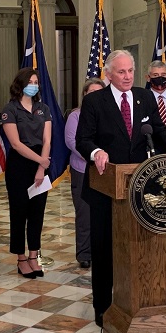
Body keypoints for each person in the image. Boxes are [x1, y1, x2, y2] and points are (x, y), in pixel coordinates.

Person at [76, 50, 166, 327]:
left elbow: (159, 130)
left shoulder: (145, 96)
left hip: (139, 188)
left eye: (130, 71)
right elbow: (83, 139)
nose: (127, 77)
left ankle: (137, 300)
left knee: (137, 248)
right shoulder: (94, 101)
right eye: (121, 72)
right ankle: (102, 307)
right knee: (104, 250)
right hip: (106, 187)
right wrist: (97, 152)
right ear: (109, 74)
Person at [1, 68, 52, 279]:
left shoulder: (43, 108)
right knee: (19, 212)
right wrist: (40, 160)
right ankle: (21, 258)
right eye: (30, 81)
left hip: (41, 164)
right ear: (20, 84)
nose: (34, 85)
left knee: (37, 213)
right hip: (19, 165)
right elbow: (15, 143)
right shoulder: (10, 109)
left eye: (36, 82)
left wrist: (41, 167)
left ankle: (34, 256)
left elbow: (48, 140)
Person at [65, 78, 106, 269]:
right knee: (84, 213)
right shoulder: (76, 116)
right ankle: (84, 253)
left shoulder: (108, 114)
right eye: (91, 93)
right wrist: (93, 156)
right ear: (84, 95)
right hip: (82, 170)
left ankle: (101, 251)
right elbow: (72, 142)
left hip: (105, 171)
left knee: (103, 214)